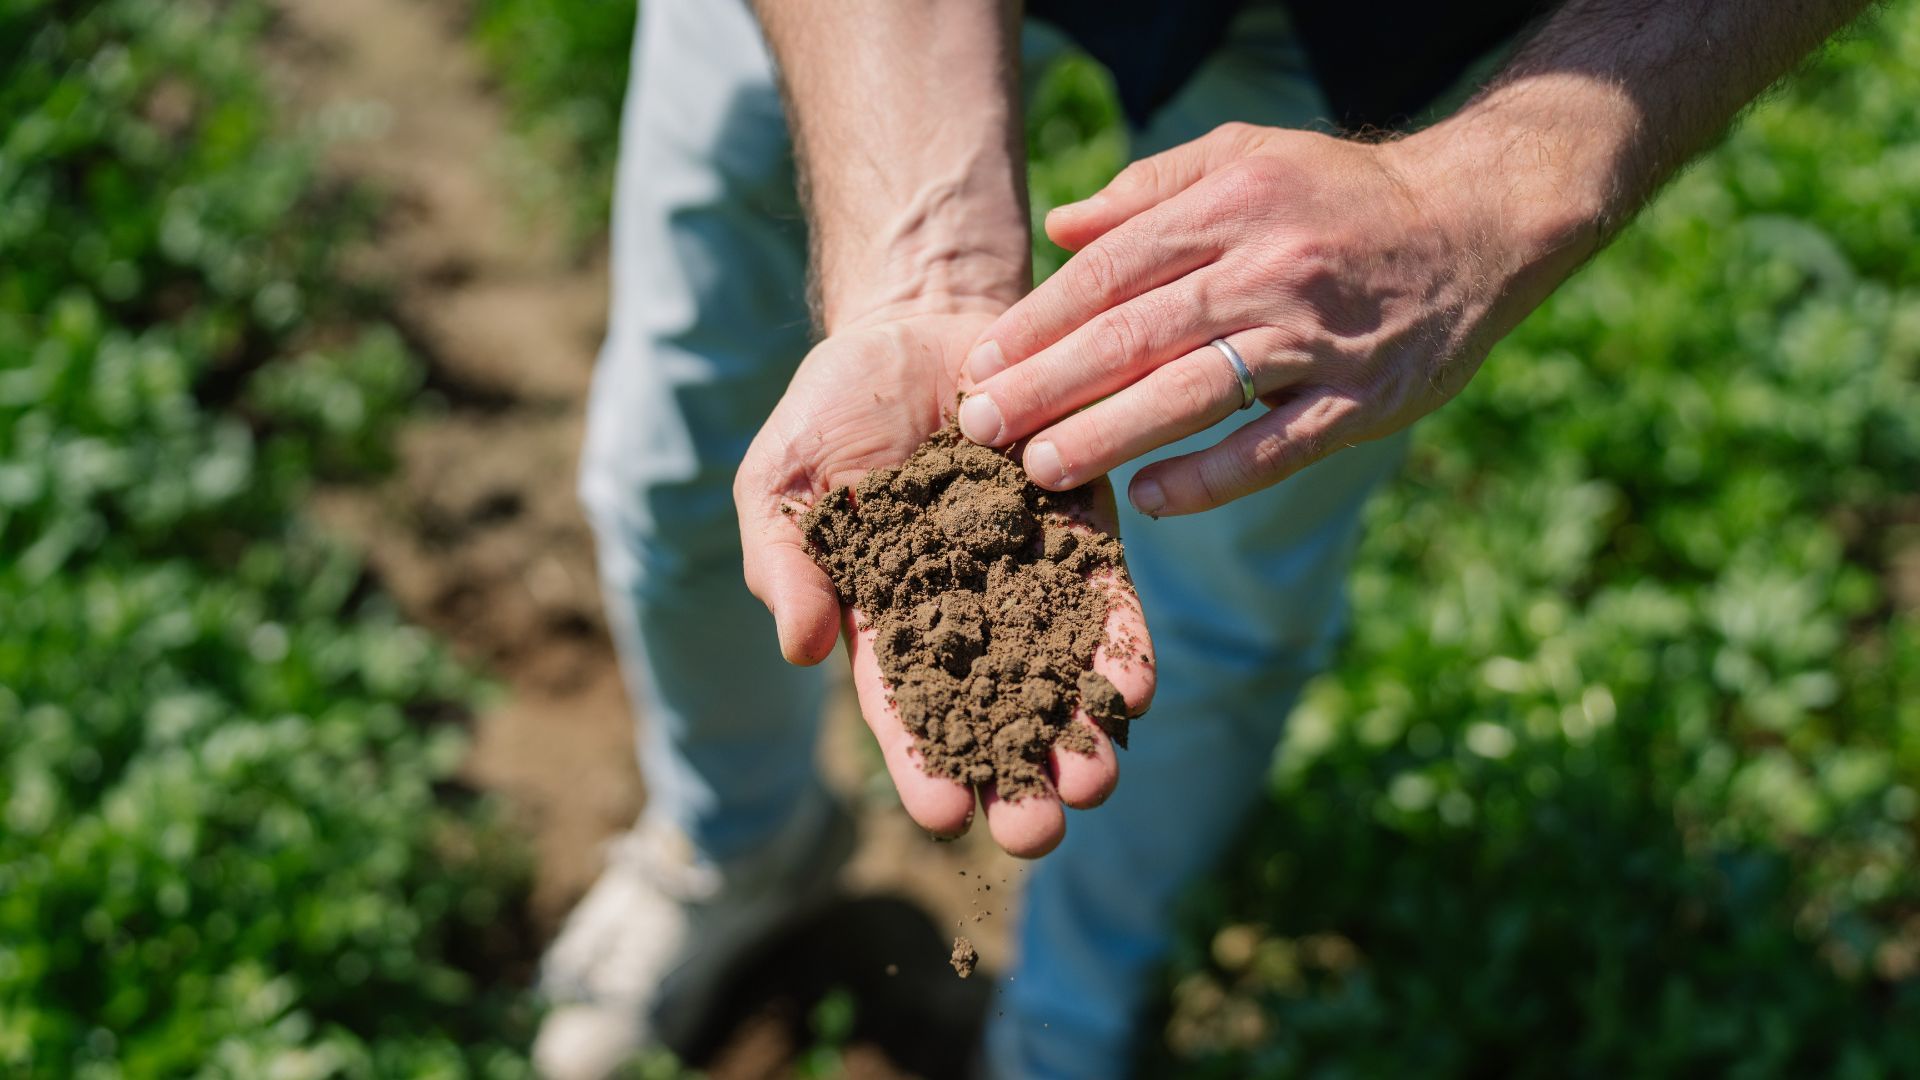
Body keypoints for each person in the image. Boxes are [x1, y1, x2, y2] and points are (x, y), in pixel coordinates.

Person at [533, 0, 1870, 1076]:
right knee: (696, 452)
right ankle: (737, 836)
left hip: (1384, 29)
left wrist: (1506, 178)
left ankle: (1063, 1021)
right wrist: (920, 271)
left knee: (1216, 596)